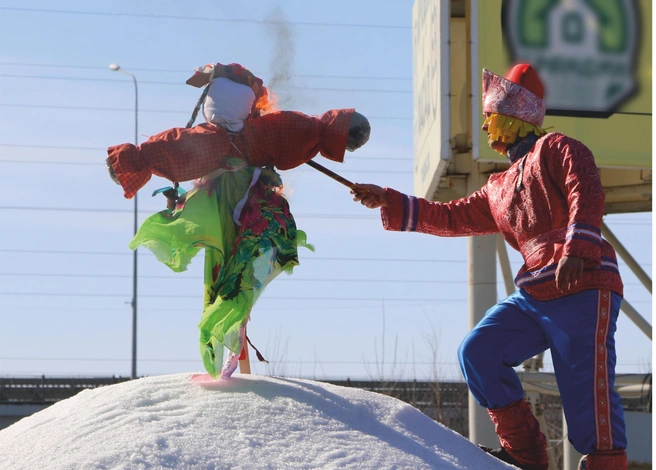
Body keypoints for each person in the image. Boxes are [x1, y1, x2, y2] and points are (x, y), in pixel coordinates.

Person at [351, 64, 627, 470]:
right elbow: (448, 215)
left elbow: (584, 188)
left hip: (583, 283)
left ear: (516, 117)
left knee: (587, 388)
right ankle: (526, 454)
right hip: (535, 291)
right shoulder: (497, 188)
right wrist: (388, 200)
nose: (485, 129)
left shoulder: (559, 148)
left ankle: (607, 463)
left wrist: (577, 247)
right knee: (478, 351)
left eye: (491, 119)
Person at [106, 62, 370, 379]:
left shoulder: (227, 135)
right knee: (231, 270)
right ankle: (227, 331)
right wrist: (341, 129)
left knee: (233, 268)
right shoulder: (243, 134)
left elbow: (159, 150)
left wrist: (131, 160)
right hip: (234, 212)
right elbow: (309, 129)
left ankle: (229, 326)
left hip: (236, 212)